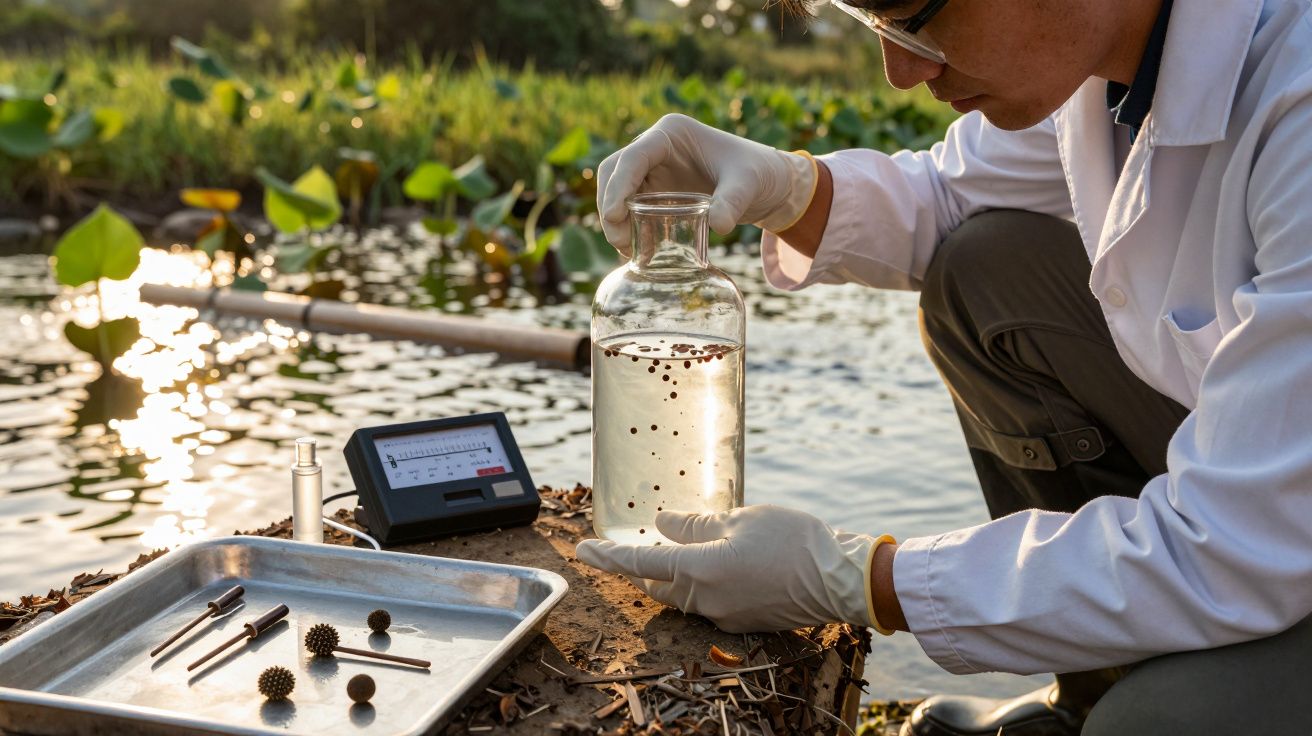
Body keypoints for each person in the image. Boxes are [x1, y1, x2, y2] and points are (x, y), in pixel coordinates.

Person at [574, 0, 1312, 733]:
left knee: (1152, 727)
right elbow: (946, 198)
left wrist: (866, 579)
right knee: (984, 270)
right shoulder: (1105, 68)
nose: (902, 72)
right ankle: (1092, 687)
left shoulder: (1296, 94)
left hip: (1272, 540)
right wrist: (787, 187)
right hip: (1268, 507)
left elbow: (1238, 542)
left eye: (914, 14)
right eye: (877, 27)